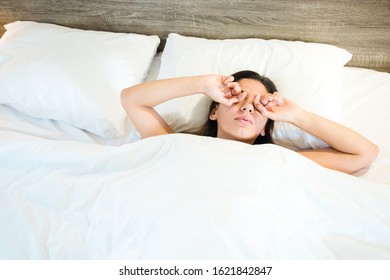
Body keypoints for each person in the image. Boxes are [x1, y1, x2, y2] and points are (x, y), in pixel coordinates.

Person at [121, 70, 378, 174]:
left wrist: (297, 115)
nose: (246, 106)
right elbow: (132, 99)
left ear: (266, 126)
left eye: (258, 105)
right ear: (213, 111)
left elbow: (364, 153)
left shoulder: (277, 159)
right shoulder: (178, 145)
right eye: (237, 97)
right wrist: (200, 84)